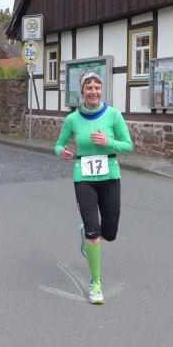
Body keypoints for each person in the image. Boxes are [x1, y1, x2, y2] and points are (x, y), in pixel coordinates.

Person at [54, 71, 133, 304]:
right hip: (84, 178)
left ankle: (87, 233)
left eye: (97, 87)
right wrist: (62, 152)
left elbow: (128, 145)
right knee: (93, 233)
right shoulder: (72, 119)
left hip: (110, 176)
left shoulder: (113, 115)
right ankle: (96, 282)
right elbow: (58, 145)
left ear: (102, 90)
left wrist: (110, 142)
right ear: (82, 92)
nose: (93, 91)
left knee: (110, 233)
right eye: (89, 88)